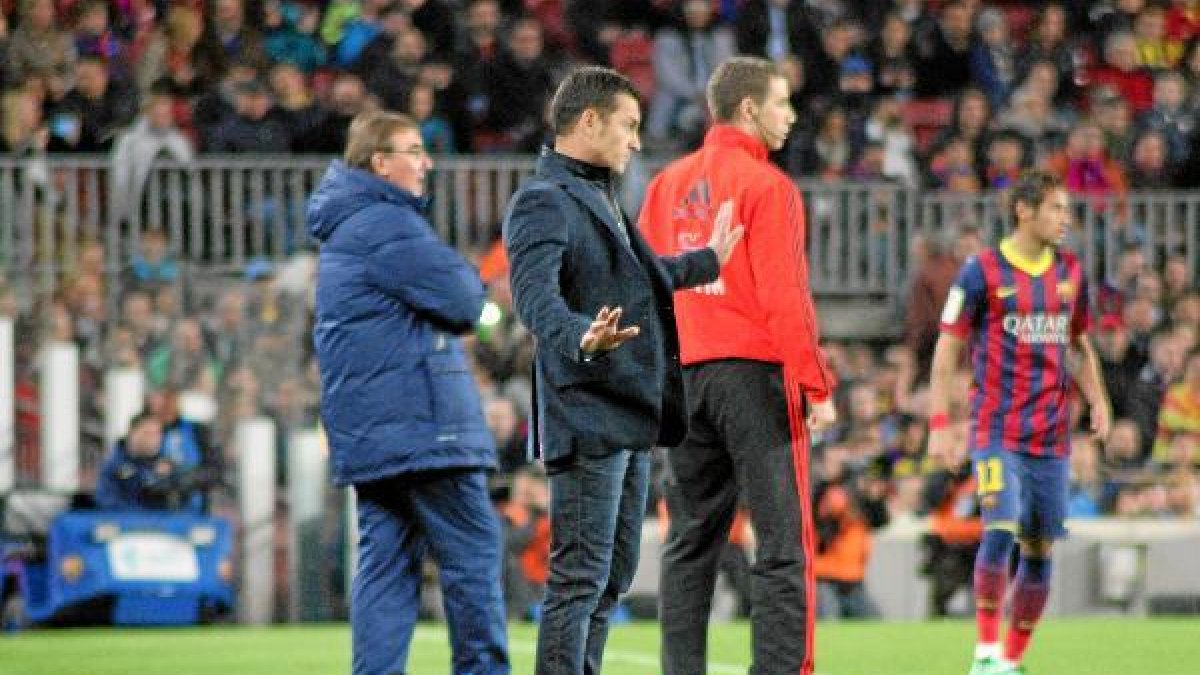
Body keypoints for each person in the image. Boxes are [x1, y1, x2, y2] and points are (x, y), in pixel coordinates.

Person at [502, 66, 742, 675]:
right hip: (587, 414)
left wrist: (707, 262)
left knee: (609, 578)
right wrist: (582, 337)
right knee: (579, 579)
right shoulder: (542, 200)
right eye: (628, 126)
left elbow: (643, 277)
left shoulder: (597, 196)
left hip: (626, 413)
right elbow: (535, 299)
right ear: (589, 122)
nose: (636, 142)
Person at [637, 56, 836, 675]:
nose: (791, 116)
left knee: (688, 543)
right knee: (782, 544)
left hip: (686, 374)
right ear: (750, 109)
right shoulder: (768, 186)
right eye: (782, 103)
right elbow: (784, 297)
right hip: (754, 376)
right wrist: (815, 383)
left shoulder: (666, 184)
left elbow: (646, 286)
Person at [308, 110, 508, 675]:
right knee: (472, 559)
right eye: (414, 150)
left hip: (373, 433)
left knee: (386, 571)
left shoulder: (346, 229)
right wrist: (473, 285)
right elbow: (467, 300)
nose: (427, 163)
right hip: (425, 426)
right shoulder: (388, 224)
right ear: (380, 162)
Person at [929, 169, 1112, 675]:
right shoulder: (981, 272)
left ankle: (1011, 660)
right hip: (996, 431)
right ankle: (984, 652)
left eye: (1068, 211)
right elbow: (948, 347)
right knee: (1000, 527)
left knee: (1038, 546)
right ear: (1023, 210)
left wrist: (1098, 399)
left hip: (1051, 438)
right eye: (1056, 209)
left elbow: (1078, 344)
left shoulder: (1071, 272)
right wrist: (940, 423)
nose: (1065, 220)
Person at [95, 411, 199, 511]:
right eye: (148, 433)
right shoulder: (113, 465)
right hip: (128, 525)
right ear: (133, 433)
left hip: (163, 526)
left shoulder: (167, 464)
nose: (155, 439)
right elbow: (106, 503)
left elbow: (186, 502)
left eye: (158, 434)